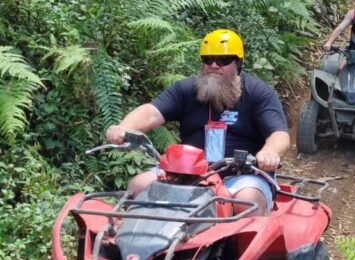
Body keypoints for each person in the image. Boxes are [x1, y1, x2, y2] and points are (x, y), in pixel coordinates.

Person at [105, 28, 290, 215]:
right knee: (137, 186)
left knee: (248, 202)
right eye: (208, 60)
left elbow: (279, 134)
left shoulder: (258, 93)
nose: (214, 66)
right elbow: (151, 112)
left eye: (223, 60)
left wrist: (269, 152)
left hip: (240, 176)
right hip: (185, 174)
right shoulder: (186, 89)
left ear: (238, 63)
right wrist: (125, 127)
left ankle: (241, 244)